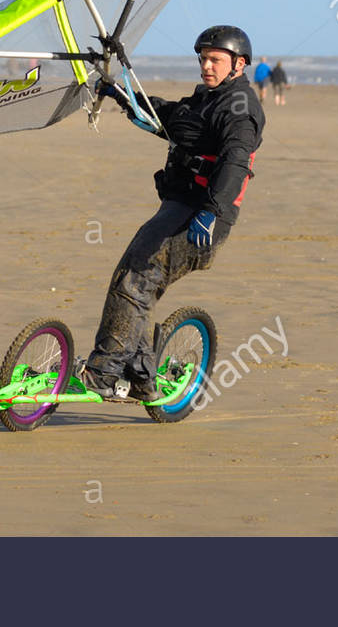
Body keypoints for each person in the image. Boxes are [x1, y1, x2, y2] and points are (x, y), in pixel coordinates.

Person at [81, 25, 265, 402]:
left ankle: (104, 372)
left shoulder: (240, 108)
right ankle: (140, 376)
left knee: (136, 278)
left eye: (215, 60)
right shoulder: (207, 99)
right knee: (137, 282)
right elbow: (169, 117)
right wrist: (121, 95)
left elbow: (235, 162)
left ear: (239, 64)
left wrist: (211, 211)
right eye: (203, 58)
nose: (206, 66)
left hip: (203, 219)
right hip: (179, 207)